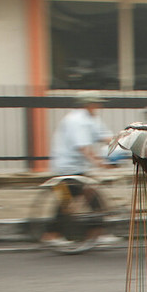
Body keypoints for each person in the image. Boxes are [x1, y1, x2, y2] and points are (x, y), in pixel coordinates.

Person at [44, 91, 116, 245]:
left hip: (78, 166)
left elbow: (104, 136)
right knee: (66, 202)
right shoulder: (76, 120)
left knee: (90, 196)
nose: (99, 106)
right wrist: (99, 162)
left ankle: (95, 232)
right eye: (97, 103)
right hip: (67, 167)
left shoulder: (91, 119)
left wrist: (123, 145)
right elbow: (83, 146)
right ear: (89, 104)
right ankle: (52, 235)